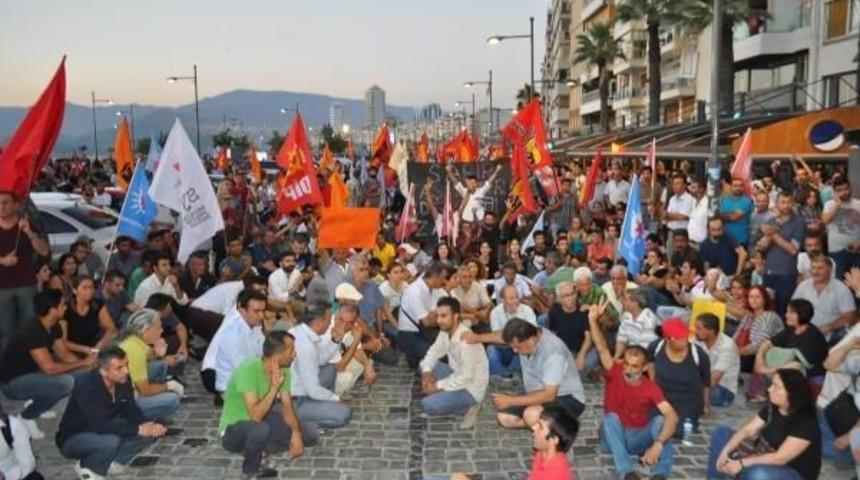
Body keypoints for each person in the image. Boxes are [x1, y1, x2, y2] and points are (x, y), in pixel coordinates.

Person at [586, 298, 678, 480]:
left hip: (638, 438)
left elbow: (672, 415)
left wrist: (658, 443)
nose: (628, 369)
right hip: (613, 439)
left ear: (644, 368)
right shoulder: (615, 371)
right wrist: (592, 320)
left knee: (662, 421)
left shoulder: (650, 387)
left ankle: (660, 475)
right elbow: (602, 348)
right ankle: (627, 473)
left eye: (635, 366)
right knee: (610, 419)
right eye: (626, 364)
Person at [55, 346, 167, 480]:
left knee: (148, 434)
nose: (125, 370)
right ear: (103, 371)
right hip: (74, 438)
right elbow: (99, 424)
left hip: (105, 430)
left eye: (126, 364)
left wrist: (147, 424)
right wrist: (138, 428)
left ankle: (110, 462)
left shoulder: (122, 379)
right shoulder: (86, 385)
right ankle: (88, 466)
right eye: (119, 368)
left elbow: (130, 408)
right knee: (111, 441)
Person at [219, 331, 318, 480]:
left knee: (310, 435)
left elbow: (287, 405)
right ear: (278, 355)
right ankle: (251, 471)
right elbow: (255, 416)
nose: (295, 354)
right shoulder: (247, 370)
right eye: (291, 351)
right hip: (234, 430)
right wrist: (273, 388)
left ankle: (261, 448)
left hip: (263, 420)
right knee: (260, 429)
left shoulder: (284, 369)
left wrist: (296, 434)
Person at [0, 290, 96, 440]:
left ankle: (40, 400)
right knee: (66, 383)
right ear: (52, 310)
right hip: (12, 384)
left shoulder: (53, 324)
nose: (66, 307)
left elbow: (64, 355)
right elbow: (50, 368)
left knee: (83, 373)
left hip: (35, 373)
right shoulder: (32, 330)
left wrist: (87, 367)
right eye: (63, 305)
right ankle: (28, 416)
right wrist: (83, 361)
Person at [467, 318, 586, 429]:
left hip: (568, 398)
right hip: (537, 392)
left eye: (518, 347)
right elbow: (503, 336)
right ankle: (544, 422)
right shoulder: (527, 335)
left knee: (531, 415)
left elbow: (549, 394)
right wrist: (478, 338)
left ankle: (556, 422)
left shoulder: (553, 353)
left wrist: (511, 400)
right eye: (513, 346)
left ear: (531, 339)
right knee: (504, 417)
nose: (514, 350)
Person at [707, 369, 822, 480]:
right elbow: (747, 430)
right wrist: (725, 452)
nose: (770, 389)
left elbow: (780, 458)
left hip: (791, 471)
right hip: (764, 452)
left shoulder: (805, 421)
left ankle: (738, 472)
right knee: (722, 432)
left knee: (758, 474)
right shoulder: (774, 406)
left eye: (776, 386)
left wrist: (741, 463)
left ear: (791, 393)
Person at [419, 297, 488, 429]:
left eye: (444, 316)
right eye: (438, 316)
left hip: (470, 388)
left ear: (456, 316)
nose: (439, 320)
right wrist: (427, 373)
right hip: (456, 374)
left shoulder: (465, 341)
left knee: (428, 405)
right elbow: (434, 352)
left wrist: (437, 386)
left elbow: (466, 377)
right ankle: (447, 396)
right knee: (424, 365)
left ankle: (470, 406)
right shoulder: (445, 331)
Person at [0, 191, 51, 351]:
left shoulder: (26, 225)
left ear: (16, 205)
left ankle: (29, 363)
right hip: (2, 288)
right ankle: (7, 367)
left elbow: (44, 251)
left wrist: (29, 232)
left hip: (26, 285)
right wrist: (2, 261)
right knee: (6, 331)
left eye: (6, 202)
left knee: (29, 328)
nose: (1, 207)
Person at [288, 305, 353, 428]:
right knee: (344, 413)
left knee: (330, 369)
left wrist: (335, 340)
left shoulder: (302, 331)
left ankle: (319, 407)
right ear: (319, 322)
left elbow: (320, 360)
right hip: (296, 400)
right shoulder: (305, 346)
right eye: (328, 321)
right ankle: (300, 422)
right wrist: (336, 398)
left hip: (303, 386)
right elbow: (312, 390)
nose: (330, 325)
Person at [117, 309, 183, 421]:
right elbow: (144, 390)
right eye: (158, 327)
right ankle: (135, 419)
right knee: (173, 400)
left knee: (160, 365)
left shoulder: (134, 339)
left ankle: (151, 400)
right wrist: (170, 386)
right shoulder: (135, 350)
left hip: (126, 389)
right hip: (124, 401)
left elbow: (149, 354)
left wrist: (159, 353)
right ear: (146, 330)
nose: (161, 331)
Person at [648, 317, 711, 431]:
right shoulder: (655, 347)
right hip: (662, 398)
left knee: (679, 429)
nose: (684, 340)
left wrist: (705, 404)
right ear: (668, 339)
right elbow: (650, 363)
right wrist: (653, 385)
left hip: (687, 400)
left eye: (685, 336)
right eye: (679, 338)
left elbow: (706, 381)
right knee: (652, 424)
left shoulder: (699, 354)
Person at [758, 191, 806, 317]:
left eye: (789, 202)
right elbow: (762, 246)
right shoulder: (772, 221)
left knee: (783, 311)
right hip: (768, 272)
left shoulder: (799, 222)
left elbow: (793, 249)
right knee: (766, 309)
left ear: (793, 204)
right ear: (777, 204)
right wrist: (766, 237)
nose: (786, 206)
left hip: (786, 274)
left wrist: (773, 234)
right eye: (782, 202)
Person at [756, 299, 829, 382]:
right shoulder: (791, 329)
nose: (786, 315)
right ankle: (754, 392)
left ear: (802, 314)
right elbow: (767, 343)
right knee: (762, 354)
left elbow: (796, 366)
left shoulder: (813, 336)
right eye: (787, 312)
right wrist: (760, 360)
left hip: (810, 376)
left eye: (790, 312)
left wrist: (765, 369)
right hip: (787, 367)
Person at [213, 290, 268, 394]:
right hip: (232, 391)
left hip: (248, 383)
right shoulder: (231, 335)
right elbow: (244, 370)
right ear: (242, 311)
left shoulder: (255, 327)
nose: (262, 316)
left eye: (263, 310)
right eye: (256, 311)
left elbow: (264, 355)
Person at [791, 254, 856, 341]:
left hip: (832, 333)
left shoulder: (841, 289)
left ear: (830, 270)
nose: (815, 271)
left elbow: (849, 316)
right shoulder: (803, 286)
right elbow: (793, 308)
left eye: (820, 268)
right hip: (805, 331)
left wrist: (829, 327)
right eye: (813, 268)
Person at [397, 262, 449, 368]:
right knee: (440, 356)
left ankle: (416, 358)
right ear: (435, 277)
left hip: (427, 331)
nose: (445, 281)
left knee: (451, 350)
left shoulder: (435, 289)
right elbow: (427, 322)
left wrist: (436, 315)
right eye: (443, 278)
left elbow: (448, 308)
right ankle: (415, 357)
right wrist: (440, 315)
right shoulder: (415, 291)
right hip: (409, 334)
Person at [484, 285, 537, 378]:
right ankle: (498, 379)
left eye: (517, 297)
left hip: (522, 347)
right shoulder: (495, 312)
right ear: (502, 300)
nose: (516, 301)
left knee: (522, 351)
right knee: (491, 350)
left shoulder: (527, 311)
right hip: (503, 346)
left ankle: (513, 379)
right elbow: (497, 337)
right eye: (512, 298)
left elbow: (532, 334)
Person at [60, 276, 117, 356]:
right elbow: (63, 341)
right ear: (74, 290)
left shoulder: (97, 304)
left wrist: (99, 345)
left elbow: (111, 328)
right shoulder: (66, 309)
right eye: (84, 288)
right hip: (73, 351)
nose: (89, 291)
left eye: (91, 287)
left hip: (94, 346)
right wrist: (85, 350)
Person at [695, 313, 740, 407]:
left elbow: (713, 379)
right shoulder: (697, 340)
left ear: (711, 331)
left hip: (722, 389)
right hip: (701, 382)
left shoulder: (727, 346)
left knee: (714, 393)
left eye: (699, 328)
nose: (696, 331)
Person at [822, 177, 860, 278]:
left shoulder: (858, 204)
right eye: (839, 190)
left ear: (850, 188)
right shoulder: (829, 204)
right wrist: (838, 204)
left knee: (856, 285)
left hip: (856, 252)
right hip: (836, 252)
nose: (844, 192)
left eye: (846, 189)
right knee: (837, 284)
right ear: (834, 192)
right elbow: (825, 220)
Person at [0, 400, 41, 480]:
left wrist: (6, 476)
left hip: (9, 473)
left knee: (35, 478)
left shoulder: (13, 426)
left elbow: (27, 464)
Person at [718, 178, 755, 246]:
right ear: (731, 187)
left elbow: (733, 217)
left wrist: (725, 215)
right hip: (725, 240)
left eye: (740, 186)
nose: (738, 188)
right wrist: (729, 214)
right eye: (735, 186)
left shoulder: (747, 202)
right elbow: (719, 216)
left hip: (741, 240)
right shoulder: (725, 200)